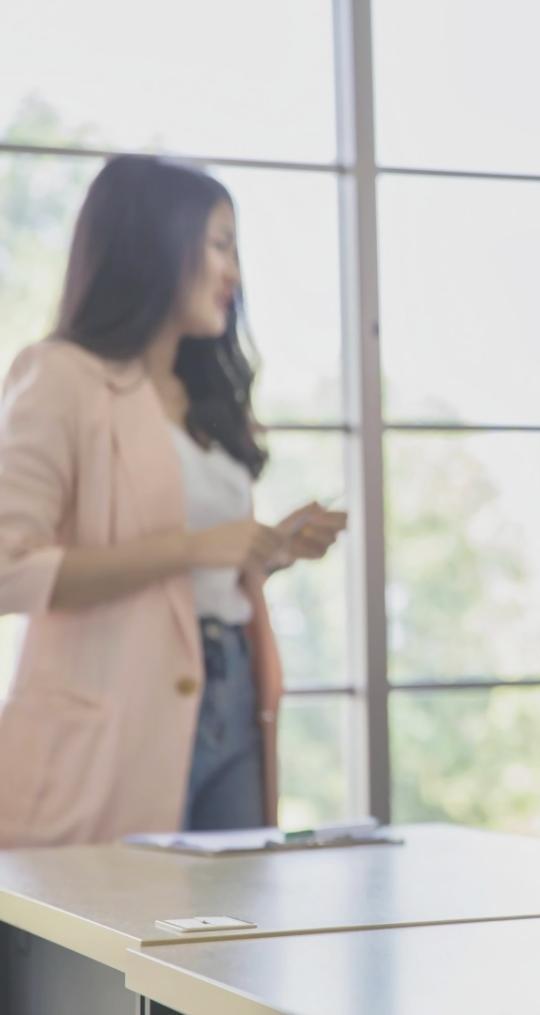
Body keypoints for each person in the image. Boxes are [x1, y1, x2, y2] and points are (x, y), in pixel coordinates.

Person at [0, 155, 347, 846]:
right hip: (111, 716)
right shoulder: (61, 377)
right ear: (157, 243)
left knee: (230, 937)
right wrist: (193, 548)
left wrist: (265, 551)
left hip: (237, 692)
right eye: (220, 245)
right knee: (111, 933)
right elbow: (9, 569)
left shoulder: (208, 403)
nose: (235, 274)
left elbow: (195, 578)